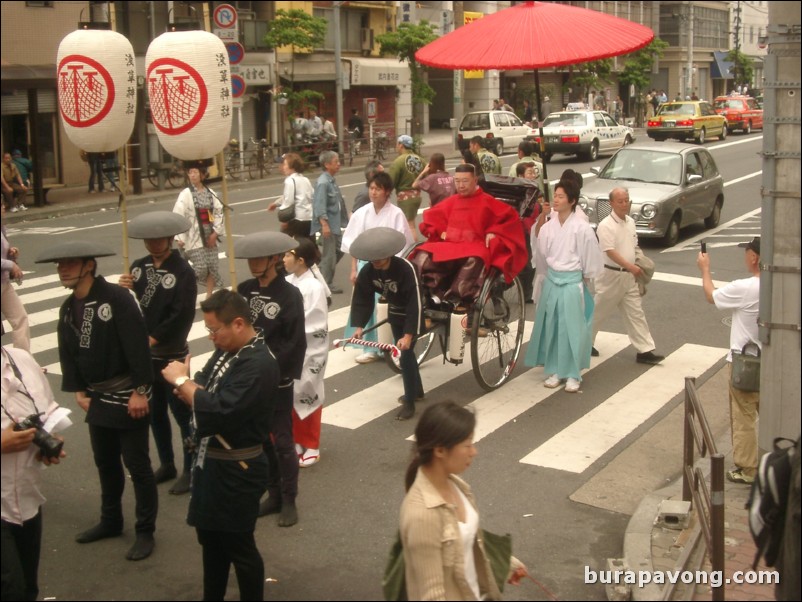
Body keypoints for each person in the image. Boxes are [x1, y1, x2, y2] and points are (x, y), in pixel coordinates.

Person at [35, 240, 157, 561]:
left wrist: (140, 389)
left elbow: (138, 347)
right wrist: (78, 388)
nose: (63, 269)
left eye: (70, 263)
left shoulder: (116, 298)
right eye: (60, 265)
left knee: (137, 465)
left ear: (89, 265)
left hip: (130, 391)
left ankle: (146, 530)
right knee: (105, 461)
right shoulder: (67, 308)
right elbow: (69, 352)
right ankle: (111, 520)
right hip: (99, 395)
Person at [162, 289, 277, 601]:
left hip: (238, 468)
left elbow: (220, 408)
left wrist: (181, 383)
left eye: (214, 330)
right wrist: (188, 387)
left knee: (239, 547)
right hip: (211, 462)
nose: (211, 337)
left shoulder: (258, 363)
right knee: (211, 542)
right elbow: (201, 385)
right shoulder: (228, 352)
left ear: (238, 324)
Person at [400, 401, 527, 600]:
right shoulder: (423, 515)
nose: (473, 451)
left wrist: (504, 563)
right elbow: (431, 593)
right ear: (440, 450)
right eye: (467, 445)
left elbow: (467, 542)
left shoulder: (457, 485)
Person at [118, 212, 197, 495]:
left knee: (182, 412)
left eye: (158, 239)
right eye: (148, 239)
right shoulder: (138, 268)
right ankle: (167, 463)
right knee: (155, 413)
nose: (153, 243)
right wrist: (125, 287)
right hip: (145, 354)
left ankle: (190, 468)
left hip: (172, 351)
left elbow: (182, 313)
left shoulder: (183, 271)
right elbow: (133, 305)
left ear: (169, 239)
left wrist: (154, 337)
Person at [235, 232, 306, 527]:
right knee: (261, 440)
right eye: (250, 259)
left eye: (259, 259)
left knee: (283, 442)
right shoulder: (245, 289)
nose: (253, 264)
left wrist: (273, 369)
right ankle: (273, 493)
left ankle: (289, 498)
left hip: (276, 379)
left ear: (275, 259)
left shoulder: (290, 295)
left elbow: (295, 342)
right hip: (249, 377)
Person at [1, 345, 69, 601]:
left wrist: (48, 440)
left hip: (27, 498)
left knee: (29, 587)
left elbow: (46, 412)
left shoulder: (21, 360)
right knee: (12, 590)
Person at [525, 178, 604, 393]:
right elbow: (541, 257)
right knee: (553, 327)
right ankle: (556, 369)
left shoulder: (582, 228)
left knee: (573, 329)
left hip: (571, 282)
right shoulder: (548, 228)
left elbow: (589, 260)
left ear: (572, 201)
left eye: (561, 196)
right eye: (556, 196)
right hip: (552, 280)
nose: (556, 200)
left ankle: (572, 373)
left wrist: (584, 281)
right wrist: (542, 281)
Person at [412, 164, 527, 307]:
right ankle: (428, 292)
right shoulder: (452, 201)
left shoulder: (487, 201)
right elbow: (433, 217)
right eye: (457, 181)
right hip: (451, 244)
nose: (460, 185)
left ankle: (454, 298)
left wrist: (494, 232)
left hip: (475, 245)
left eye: (465, 181)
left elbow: (509, 219)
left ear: (475, 180)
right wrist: (440, 232)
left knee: (476, 257)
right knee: (422, 254)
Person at [696, 237, 761, 484]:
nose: (745, 256)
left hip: (745, 362)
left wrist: (704, 269)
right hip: (773, 360)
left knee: (744, 416)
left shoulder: (746, 287)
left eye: (747, 252)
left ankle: (748, 468)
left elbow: (712, 296)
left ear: (754, 257)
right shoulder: (782, 284)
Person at [349, 228, 424, 421]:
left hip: (411, 313)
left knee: (405, 354)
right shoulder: (368, 271)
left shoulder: (406, 268)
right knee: (407, 354)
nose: (377, 262)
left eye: (380, 258)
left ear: (390, 254)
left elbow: (414, 303)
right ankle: (418, 390)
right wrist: (358, 326)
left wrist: (408, 334)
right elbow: (362, 298)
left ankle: (409, 402)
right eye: (373, 259)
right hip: (394, 312)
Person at [342, 172, 415, 365]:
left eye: (378, 189)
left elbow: (404, 243)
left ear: (387, 192)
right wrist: (354, 269)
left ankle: (393, 346)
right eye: (371, 188)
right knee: (366, 304)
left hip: (389, 264)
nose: (373, 192)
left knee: (387, 308)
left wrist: (395, 268)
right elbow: (353, 244)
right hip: (367, 265)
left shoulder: (396, 214)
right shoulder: (362, 213)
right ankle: (370, 347)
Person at [591, 188, 665, 365]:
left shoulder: (630, 222)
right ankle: (584, 343)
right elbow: (609, 252)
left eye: (627, 201)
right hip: (611, 276)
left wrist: (640, 263)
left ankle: (645, 349)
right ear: (611, 203)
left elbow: (634, 246)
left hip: (629, 276)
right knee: (598, 313)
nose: (624, 204)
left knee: (636, 312)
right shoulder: (606, 225)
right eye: (620, 201)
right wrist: (631, 267)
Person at [283, 237, 328, 467]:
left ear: (300, 260)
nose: (283, 259)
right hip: (289, 347)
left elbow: (316, 322)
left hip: (309, 349)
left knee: (308, 390)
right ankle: (296, 439)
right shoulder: (288, 281)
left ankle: (312, 443)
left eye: (287, 255)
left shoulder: (314, 286)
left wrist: (289, 329)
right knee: (289, 393)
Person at [173, 165, 224, 299]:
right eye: (190, 172)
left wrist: (216, 232)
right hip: (192, 235)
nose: (193, 175)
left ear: (202, 175)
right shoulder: (185, 194)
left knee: (212, 266)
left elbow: (218, 212)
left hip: (209, 233)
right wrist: (180, 236)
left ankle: (209, 295)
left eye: (195, 172)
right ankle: (186, 284)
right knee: (200, 267)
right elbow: (178, 213)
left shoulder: (210, 192)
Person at [312, 150, 348, 294]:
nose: (339, 164)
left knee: (341, 248)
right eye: (336, 162)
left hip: (336, 223)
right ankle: (326, 282)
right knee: (330, 254)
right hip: (329, 225)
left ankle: (320, 273)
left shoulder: (330, 180)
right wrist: (324, 225)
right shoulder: (323, 182)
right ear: (327, 165)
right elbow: (319, 206)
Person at [1, 204, 30, 352]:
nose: (4, 207)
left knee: (20, 319)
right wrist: (10, 265)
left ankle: (24, 361)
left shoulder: (2, 226)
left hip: (4, 283)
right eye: (1, 205)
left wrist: (10, 253)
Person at [268, 153, 314, 242]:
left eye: (285, 164)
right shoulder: (305, 180)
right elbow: (312, 196)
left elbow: (288, 201)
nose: (283, 167)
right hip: (308, 218)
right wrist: (276, 203)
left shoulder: (290, 180)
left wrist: (285, 221)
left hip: (296, 219)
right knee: (308, 245)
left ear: (292, 167)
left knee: (285, 244)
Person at [388, 135, 425, 240]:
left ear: (401, 145)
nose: (396, 146)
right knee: (410, 223)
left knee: (410, 226)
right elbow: (427, 176)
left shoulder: (398, 161)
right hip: (417, 196)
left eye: (397, 144)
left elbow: (391, 181)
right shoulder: (420, 159)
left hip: (405, 197)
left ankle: (413, 249)